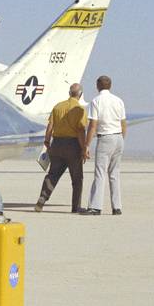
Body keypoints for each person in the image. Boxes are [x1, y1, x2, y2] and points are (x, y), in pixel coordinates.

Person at [35, 83, 88, 213]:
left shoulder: (58, 107)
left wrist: (47, 141)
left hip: (57, 144)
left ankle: (42, 199)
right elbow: (81, 131)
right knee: (77, 178)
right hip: (73, 145)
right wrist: (84, 148)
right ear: (80, 95)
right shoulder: (80, 109)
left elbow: (50, 126)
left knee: (52, 174)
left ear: (69, 93)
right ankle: (76, 207)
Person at [82, 75, 126, 215]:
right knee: (114, 174)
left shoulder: (96, 101)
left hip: (105, 137)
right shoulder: (119, 101)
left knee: (100, 173)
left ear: (97, 86)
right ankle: (116, 207)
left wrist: (86, 145)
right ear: (110, 85)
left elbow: (93, 125)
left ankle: (96, 207)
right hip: (118, 137)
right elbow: (123, 123)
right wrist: (121, 139)